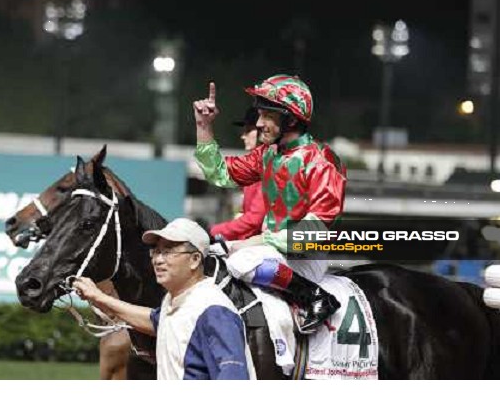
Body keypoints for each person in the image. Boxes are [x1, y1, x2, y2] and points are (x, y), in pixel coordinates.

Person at [193, 75, 347, 332]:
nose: (259, 123)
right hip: (273, 251)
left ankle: (315, 297)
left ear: (290, 119)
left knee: (240, 262)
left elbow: (317, 229)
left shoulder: (322, 160)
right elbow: (220, 173)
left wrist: (254, 242)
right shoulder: (268, 154)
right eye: (259, 115)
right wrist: (204, 126)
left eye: (267, 116)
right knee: (211, 257)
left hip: (304, 253)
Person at [73, 218, 255, 380]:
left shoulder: (214, 311)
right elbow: (154, 320)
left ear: (194, 259)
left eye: (168, 252)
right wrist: (97, 297)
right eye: (156, 251)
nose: (158, 260)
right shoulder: (177, 301)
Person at [210, 106, 266, 241]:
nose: (243, 136)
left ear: (262, 131)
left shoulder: (270, 166)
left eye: (247, 131)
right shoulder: (254, 166)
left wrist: (212, 231)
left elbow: (254, 220)